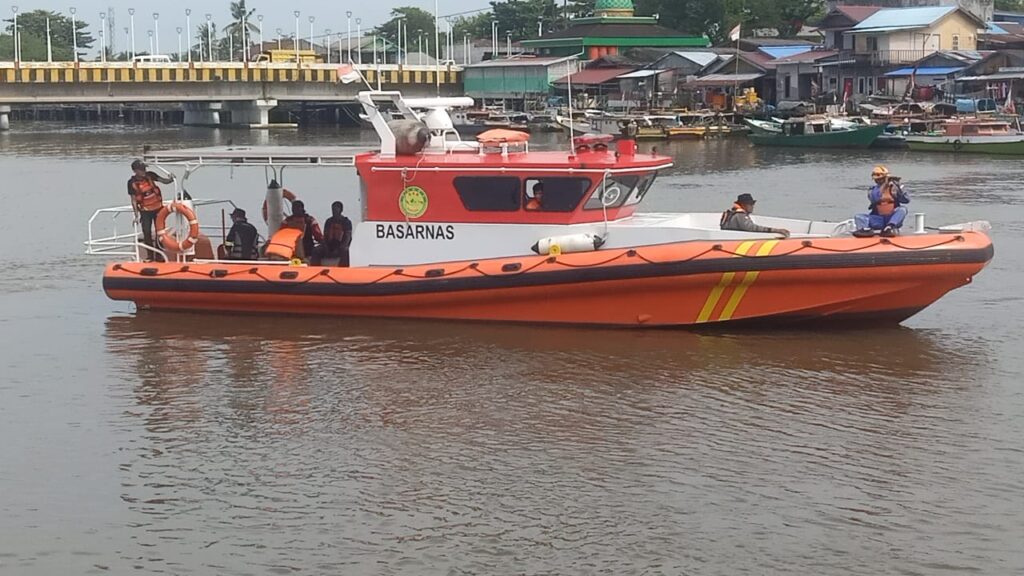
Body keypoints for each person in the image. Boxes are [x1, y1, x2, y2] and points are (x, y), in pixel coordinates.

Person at [127, 159, 174, 261]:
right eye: (141, 169)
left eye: (144, 169)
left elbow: (164, 181)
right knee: (147, 233)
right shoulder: (131, 183)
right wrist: (136, 215)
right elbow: (133, 200)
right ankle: (150, 255)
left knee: (160, 232)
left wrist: (171, 179)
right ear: (135, 171)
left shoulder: (150, 175)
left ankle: (159, 255)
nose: (144, 171)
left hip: (158, 209)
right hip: (145, 211)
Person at [853, 165, 910, 238]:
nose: (878, 180)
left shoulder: (895, 188)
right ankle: (865, 230)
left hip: (891, 217)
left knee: (902, 209)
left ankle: (889, 227)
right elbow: (875, 198)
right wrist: (884, 186)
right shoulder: (872, 190)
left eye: (881, 178)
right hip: (878, 219)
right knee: (859, 217)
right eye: (876, 179)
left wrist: (899, 188)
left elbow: (906, 200)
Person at [720, 193, 790, 237]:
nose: (752, 206)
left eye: (753, 204)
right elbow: (751, 228)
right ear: (743, 205)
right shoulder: (740, 215)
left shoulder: (733, 214)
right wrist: (775, 230)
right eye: (750, 204)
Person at [312, 201, 354, 267]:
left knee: (345, 251)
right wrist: (326, 248)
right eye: (333, 209)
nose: (334, 211)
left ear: (341, 210)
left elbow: (347, 238)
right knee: (316, 250)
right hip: (329, 246)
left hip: (340, 246)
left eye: (336, 209)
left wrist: (339, 248)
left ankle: (342, 270)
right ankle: (315, 269)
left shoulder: (346, 222)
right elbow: (325, 237)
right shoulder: (328, 221)